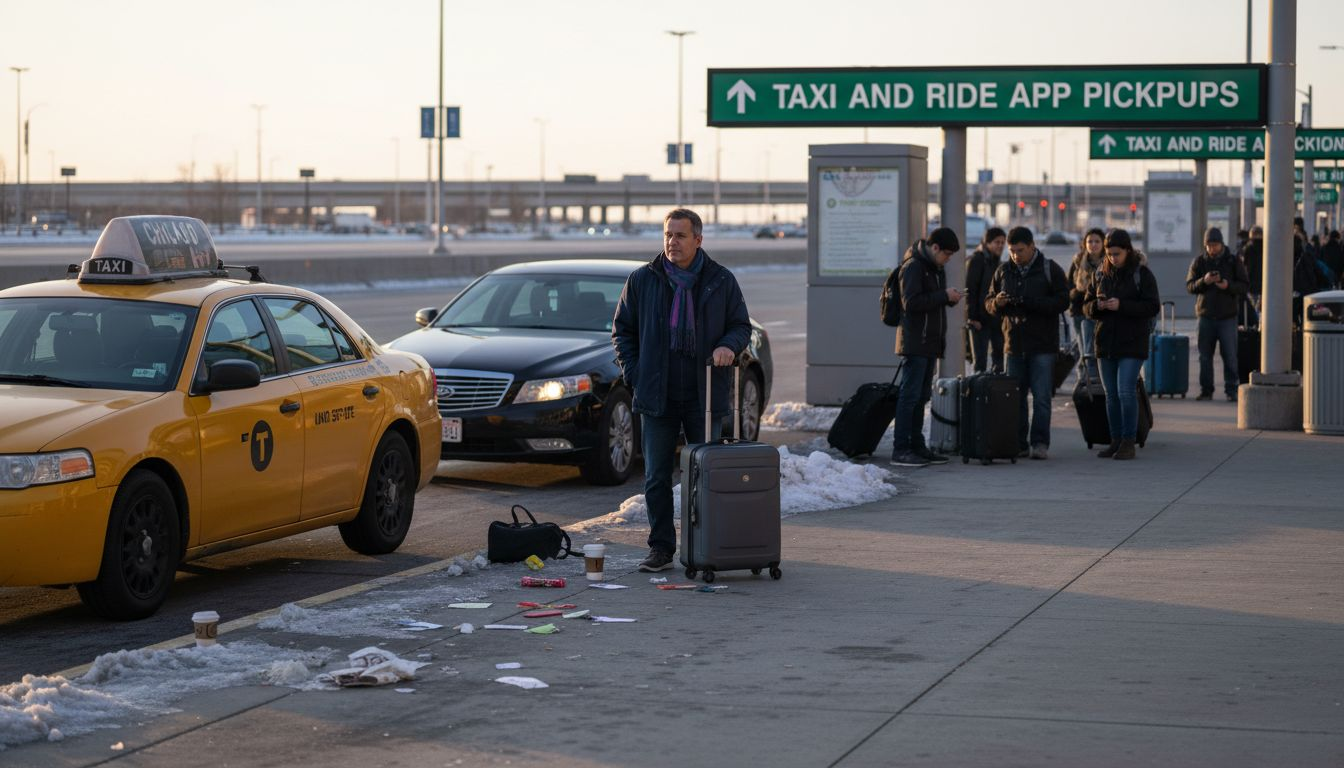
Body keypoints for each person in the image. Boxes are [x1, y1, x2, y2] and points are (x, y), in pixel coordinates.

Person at [612, 208, 751, 572]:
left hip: (704, 397)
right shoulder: (643, 280)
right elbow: (622, 332)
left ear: (698, 240)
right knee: (657, 476)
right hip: (657, 395)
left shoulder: (720, 280)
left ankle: (705, 545)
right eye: (668, 235)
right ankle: (661, 548)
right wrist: (635, 373)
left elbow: (741, 325)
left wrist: (728, 346)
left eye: (681, 236)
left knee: (704, 474)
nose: (673, 242)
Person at [986, 226, 1070, 460]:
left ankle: (1040, 442)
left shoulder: (1049, 268)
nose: (1015, 255)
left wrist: (1032, 303)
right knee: (1015, 397)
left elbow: (1063, 300)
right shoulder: (1004, 271)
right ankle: (1019, 442)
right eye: (1011, 251)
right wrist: (998, 303)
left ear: (1032, 246)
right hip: (1013, 344)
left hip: (1042, 344)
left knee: (1042, 396)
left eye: (1020, 250)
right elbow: (988, 302)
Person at [1083, 228, 1160, 461]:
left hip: (1132, 342)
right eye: (1109, 254)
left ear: (1128, 251)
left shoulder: (1142, 274)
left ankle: (1128, 440)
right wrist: (1098, 306)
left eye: (1116, 254)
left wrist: (1122, 306)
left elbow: (1152, 306)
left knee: (1126, 391)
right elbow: (1084, 307)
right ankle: (1114, 440)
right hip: (1106, 341)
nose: (1112, 258)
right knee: (1111, 394)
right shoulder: (1100, 274)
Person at [890, 227, 963, 468]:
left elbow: (931, 301)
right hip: (915, 342)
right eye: (947, 254)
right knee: (909, 397)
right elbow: (910, 303)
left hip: (930, 342)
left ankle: (917, 445)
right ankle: (901, 449)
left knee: (921, 397)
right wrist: (944, 295)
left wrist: (949, 298)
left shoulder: (934, 268)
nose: (948, 259)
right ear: (934, 248)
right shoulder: (913, 267)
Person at [1185, 227, 1249, 402]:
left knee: (1229, 355)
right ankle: (1206, 390)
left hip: (1227, 317)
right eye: (1209, 245)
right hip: (1205, 316)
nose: (1212, 249)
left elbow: (1244, 285)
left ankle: (1232, 389)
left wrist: (1227, 286)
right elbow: (1190, 286)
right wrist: (1203, 281)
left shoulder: (1233, 260)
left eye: (1215, 245)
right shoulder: (1199, 262)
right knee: (1204, 357)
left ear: (1222, 244)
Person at [964, 227, 1006, 374]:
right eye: (997, 242)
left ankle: (996, 391)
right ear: (987, 243)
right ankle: (978, 393)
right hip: (979, 320)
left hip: (995, 318)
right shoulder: (977, 260)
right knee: (980, 362)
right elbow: (970, 290)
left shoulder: (998, 262)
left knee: (999, 358)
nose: (1000, 246)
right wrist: (972, 317)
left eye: (1002, 242)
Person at [1067, 228, 1106, 376]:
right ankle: (1084, 383)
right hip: (1079, 311)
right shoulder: (1078, 260)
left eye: (1097, 241)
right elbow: (1068, 284)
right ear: (1085, 243)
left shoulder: (1109, 262)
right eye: (1090, 241)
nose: (1093, 245)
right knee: (1085, 351)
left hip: (1100, 312)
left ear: (1103, 244)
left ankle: (1095, 382)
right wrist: (1075, 293)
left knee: (1097, 351)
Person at [1240, 225, 1264, 324]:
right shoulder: (1267, 247)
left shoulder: (1248, 248)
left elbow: (1245, 266)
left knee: (1253, 307)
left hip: (1251, 283)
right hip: (1264, 283)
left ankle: (1256, 324)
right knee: (1263, 307)